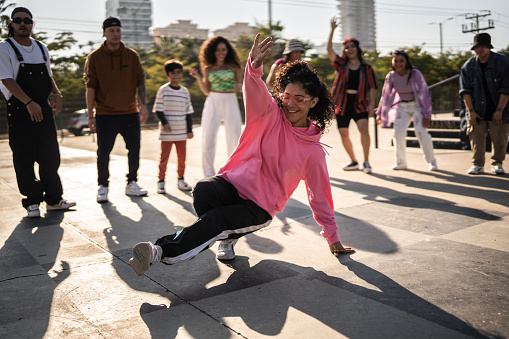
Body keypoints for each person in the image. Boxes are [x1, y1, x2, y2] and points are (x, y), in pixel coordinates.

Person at [129, 34, 355, 276]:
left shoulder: (313, 152)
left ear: (313, 102)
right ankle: (225, 234)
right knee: (204, 190)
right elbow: (254, 89)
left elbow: (319, 195)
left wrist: (332, 237)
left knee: (217, 219)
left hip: (259, 207)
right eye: (286, 96)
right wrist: (254, 66)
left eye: (299, 99)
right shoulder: (269, 114)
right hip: (231, 185)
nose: (290, 103)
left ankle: (159, 251)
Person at [0, 7, 75, 218]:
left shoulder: (42, 48)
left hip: (42, 107)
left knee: (50, 155)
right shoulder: (4, 48)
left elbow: (49, 75)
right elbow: (6, 79)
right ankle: (32, 202)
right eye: (18, 20)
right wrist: (28, 102)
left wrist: (57, 93)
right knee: (24, 157)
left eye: (27, 20)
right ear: (11, 24)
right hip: (19, 109)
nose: (23, 23)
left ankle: (53, 199)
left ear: (32, 24)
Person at [84, 17, 148, 202]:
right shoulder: (94, 57)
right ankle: (103, 186)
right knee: (103, 152)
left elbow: (140, 81)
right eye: (111, 30)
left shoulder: (131, 55)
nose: (115, 34)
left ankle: (132, 183)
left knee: (134, 149)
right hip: (105, 114)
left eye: (118, 30)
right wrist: (90, 115)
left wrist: (143, 106)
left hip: (130, 112)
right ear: (104, 33)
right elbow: (90, 88)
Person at [327, 17, 377, 174]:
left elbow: (372, 87)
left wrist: (371, 105)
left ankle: (367, 161)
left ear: (357, 48)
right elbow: (329, 50)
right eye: (347, 47)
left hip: (360, 102)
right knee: (343, 133)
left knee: (364, 129)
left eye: (352, 46)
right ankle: (354, 161)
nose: (350, 49)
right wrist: (332, 30)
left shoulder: (366, 67)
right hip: (342, 103)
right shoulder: (341, 64)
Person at [189, 36, 243, 178]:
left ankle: (234, 171)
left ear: (228, 50)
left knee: (235, 136)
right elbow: (207, 91)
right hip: (213, 100)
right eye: (218, 50)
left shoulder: (234, 66)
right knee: (208, 136)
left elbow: (240, 86)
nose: (221, 52)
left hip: (230, 99)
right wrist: (199, 78)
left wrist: (240, 86)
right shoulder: (209, 68)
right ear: (213, 51)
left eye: (224, 49)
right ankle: (208, 173)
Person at [376, 49, 438, 171]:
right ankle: (401, 162)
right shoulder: (391, 76)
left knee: (421, 132)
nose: (398, 63)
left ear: (406, 61)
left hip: (417, 107)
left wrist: (427, 115)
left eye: (401, 61)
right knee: (398, 133)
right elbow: (385, 96)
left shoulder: (415, 74)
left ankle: (432, 161)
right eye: (396, 61)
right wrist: (380, 114)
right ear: (392, 62)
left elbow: (424, 93)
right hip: (402, 107)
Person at [460, 33, 509, 175]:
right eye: (477, 47)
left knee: (500, 138)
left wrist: (499, 110)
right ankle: (477, 164)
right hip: (477, 109)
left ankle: (497, 163)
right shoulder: (468, 66)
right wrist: (470, 111)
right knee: (476, 137)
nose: (479, 49)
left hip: (499, 107)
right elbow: (465, 91)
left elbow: (506, 89)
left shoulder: (502, 62)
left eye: (483, 46)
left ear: (489, 47)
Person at [153, 60, 194, 194]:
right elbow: (158, 109)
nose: (176, 75)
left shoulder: (185, 91)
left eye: (178, 72)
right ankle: (161, 181)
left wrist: (189, 130)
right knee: (164, 158)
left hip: (181, 132)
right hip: (167, 132)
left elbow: (188, 112)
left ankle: (181, 179)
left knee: (182, 158)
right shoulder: (163, 90)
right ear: (167, 74)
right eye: (173, 73)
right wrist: (165, 123)